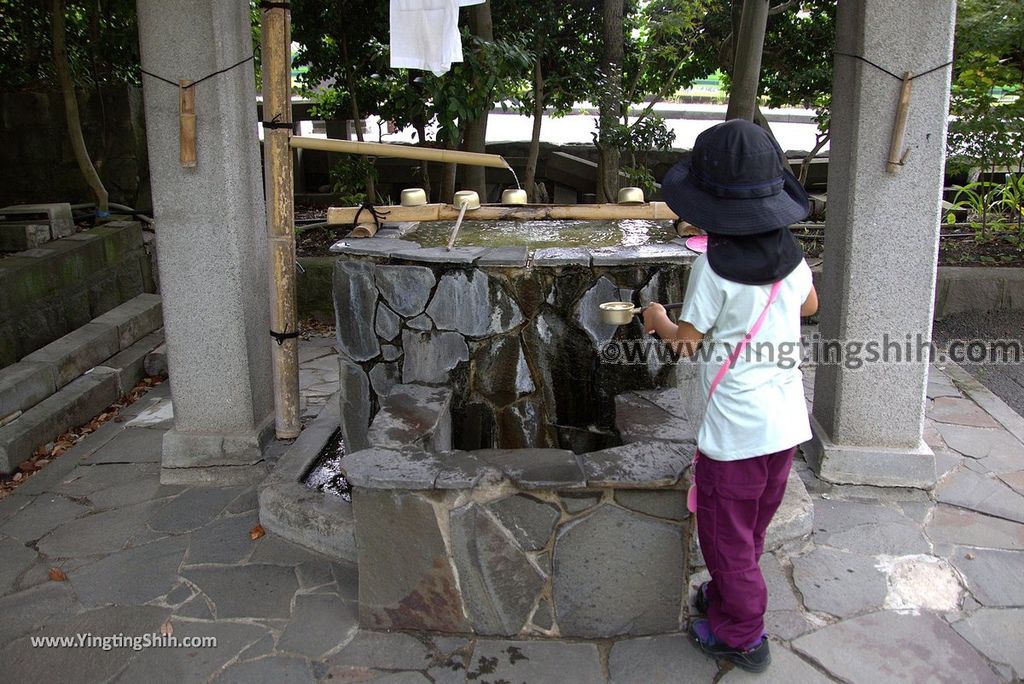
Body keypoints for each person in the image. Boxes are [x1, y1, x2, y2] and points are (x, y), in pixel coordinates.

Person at [643, 119, 818, 673]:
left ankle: (742, 634)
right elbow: (809, 306)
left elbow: (687, 345)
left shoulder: (711, 268)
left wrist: (657, 319)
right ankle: (726, 602)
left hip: (735, 437)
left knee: (725, 540)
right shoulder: (790, 256)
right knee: (749, 531)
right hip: (786, 427)